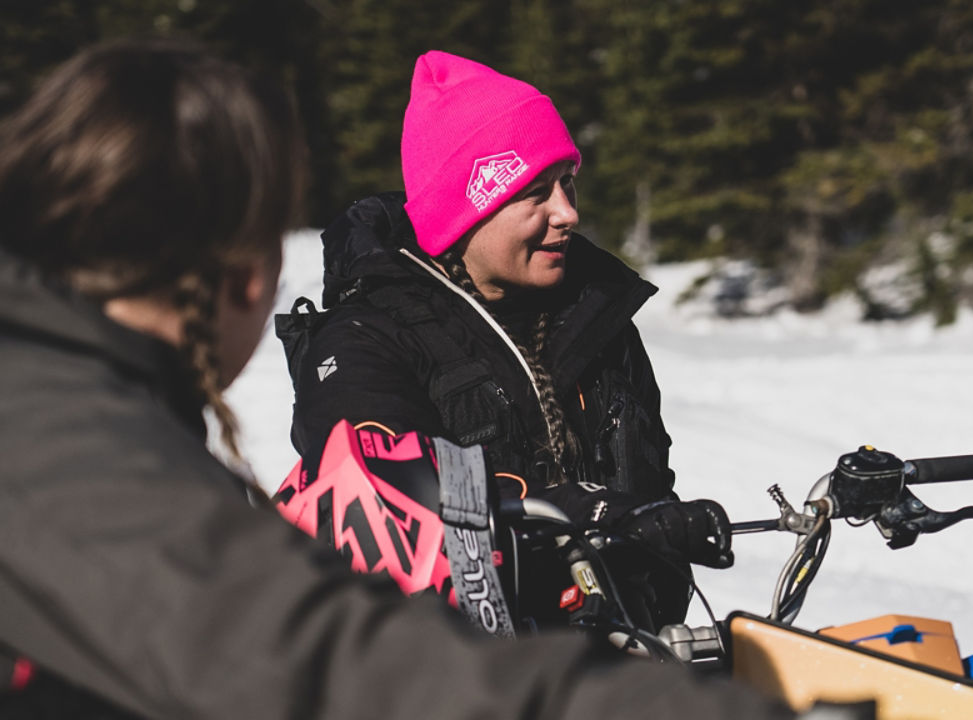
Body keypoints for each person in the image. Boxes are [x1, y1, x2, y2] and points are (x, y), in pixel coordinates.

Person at [0, 39, 789, 720]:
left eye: (568, 184)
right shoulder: (60, 451)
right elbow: (324, 654)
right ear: (239, 266)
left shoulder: (58, 405)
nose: (566, 215)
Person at [279, 51, 731, 630]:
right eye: (536, 192)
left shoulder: (598, 317)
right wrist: (581, 510)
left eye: (568, 185)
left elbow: (648, 483)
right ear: (465, 208)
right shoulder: (365, 341)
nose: (568, 213)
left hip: (632, 661)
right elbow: (388, 499)